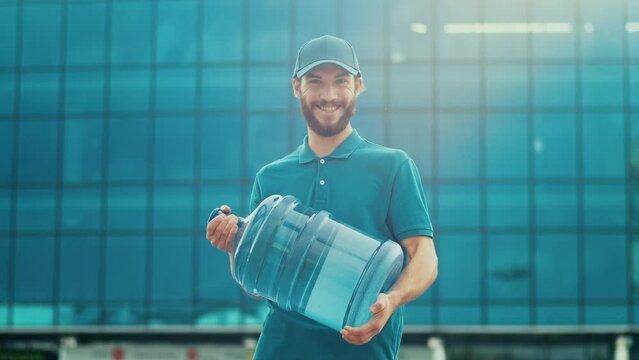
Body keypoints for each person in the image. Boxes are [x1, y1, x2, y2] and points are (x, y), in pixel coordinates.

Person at [206, 35, 438, 360]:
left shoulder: (393, 166)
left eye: (340, 82)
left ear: (358, 85)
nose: (329, 95)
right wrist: (234, 244)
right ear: (296, 87)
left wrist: (392, 300)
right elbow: (257, 287)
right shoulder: (271, 177)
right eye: (315, 82)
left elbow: (425, 257)